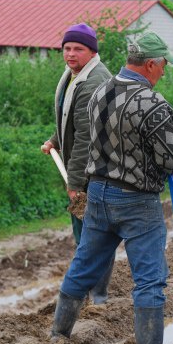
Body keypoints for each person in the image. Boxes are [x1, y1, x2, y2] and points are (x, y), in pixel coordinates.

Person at [51, 32, 173, 344]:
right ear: (151, 64)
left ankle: (58, 334)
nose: (164, 71)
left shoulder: (98, 91)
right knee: (149, 277)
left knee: (84, 265)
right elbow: (171, 160)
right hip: (137, 202)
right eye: (163, 65)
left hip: (97, 194)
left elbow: (85, 138)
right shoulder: (153, 106)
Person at [41, 23, 114, 305]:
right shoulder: (76, 75)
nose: (70, 54)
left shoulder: (94, 81)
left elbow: (85, 137)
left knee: (93, 237)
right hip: (84, 170)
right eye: (67, 48)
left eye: (77, 49)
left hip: (95, 172)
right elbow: (69, 119)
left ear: (91, 51)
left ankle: (97, 297)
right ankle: (88, 293)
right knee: (86, 235)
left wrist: (74, 184)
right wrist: (55, 141)